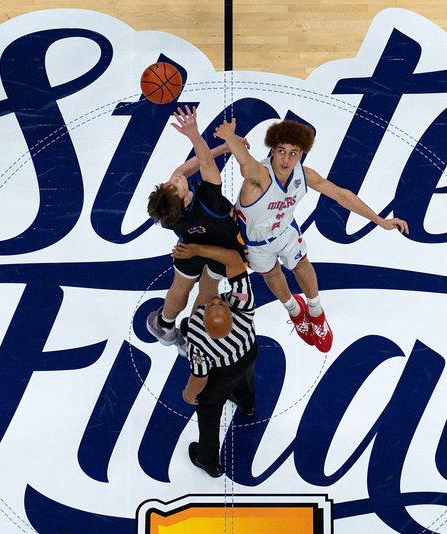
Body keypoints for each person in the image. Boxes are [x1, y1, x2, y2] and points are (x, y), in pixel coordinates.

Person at [214, 118, 409, 353]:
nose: (286, 160)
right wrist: (231, 138)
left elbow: (342, 195)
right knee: (273, 275)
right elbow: (246, 165)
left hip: (285, 230)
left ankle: (316, 313)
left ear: (301, 154)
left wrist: (379, 220)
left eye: (293, 153)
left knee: (301, 264)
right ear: (273, 150)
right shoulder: (260, 175)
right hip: (254, 243)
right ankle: (295, 312)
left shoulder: (304, 175)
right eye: (281, 152)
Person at [146, 106, 248, 346]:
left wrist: (226, 147)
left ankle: (165, 325)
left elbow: (184, 169)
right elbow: (204, 162)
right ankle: (191, 339)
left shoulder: (170, 215)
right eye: (174, 186)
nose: (174, 179)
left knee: (180, 286)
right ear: (184, 200)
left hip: (190, 245)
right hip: (224, 247)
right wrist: (195, 134)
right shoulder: (209, 199)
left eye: (168, 183)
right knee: (207, 290)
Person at [173, 241, 256, 478]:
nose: (215, 300)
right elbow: (232, 258)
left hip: (220, 373)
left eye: (215, 305)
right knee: (245, 376)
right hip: (247, 351)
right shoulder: (243, 304)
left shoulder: (198, 337)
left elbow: (199, 377)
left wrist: (189, 395)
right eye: (218, 303)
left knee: (208, 413)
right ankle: (247, 404)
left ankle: (208, 459)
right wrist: (199, 251)